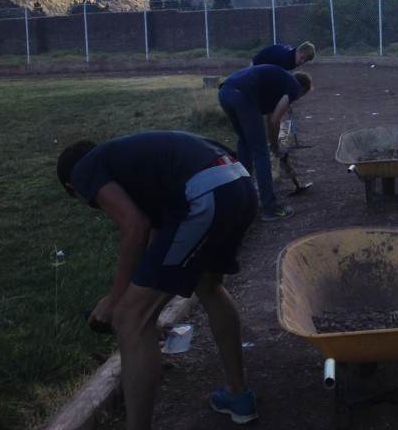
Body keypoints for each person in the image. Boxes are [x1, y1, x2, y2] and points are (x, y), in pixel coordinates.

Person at [56, 130, 260, 429]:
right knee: (209, 286)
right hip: (238, 185)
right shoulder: (133, 165)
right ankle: (238, 394)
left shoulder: (84, 169)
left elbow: (134, 227)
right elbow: (155, 242)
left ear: (72, 186)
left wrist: (118, 302)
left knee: (128, 319)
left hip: (206, 192)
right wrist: (149, 307)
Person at [218, 64, 312, 221]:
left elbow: (270, 118)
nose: (296, 99)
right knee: (260, 152)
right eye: (299, 97)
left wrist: (274, 143)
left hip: (224, 91)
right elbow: (275, 120)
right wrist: (274, 147)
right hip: (242, 95)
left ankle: (242, 199)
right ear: (302, 89)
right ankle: (269, 208)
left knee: (245, 145)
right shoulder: (293, 86)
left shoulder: (276, 85)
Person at [250, 41, 315, 70]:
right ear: (298, 51)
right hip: (256, 66)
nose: (302, 61)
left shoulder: (292, 53)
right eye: (302, 58)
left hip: (261, 65)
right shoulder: (288, 60)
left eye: (305, 60)